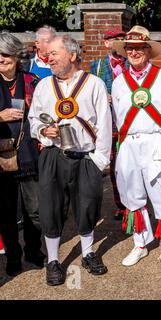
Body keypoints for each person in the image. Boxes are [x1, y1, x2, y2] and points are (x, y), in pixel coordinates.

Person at [28, 35, 111, 286]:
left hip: (86, 157)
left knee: (88, 207)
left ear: (72, 55)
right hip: (53, 156)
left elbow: (105, 124)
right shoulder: (43, 85)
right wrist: (43, 131)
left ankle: (87, 253)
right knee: (51, 208)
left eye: (54, 53)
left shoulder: (94, 83)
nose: (48, 58)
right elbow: (34, 120)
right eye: (48, 54)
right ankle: (53, 261)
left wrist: (99, 160)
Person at [111, 26, 161, 272]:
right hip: (129, 144)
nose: (134, 52)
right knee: (132, 196)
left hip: (157, 142)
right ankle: (140, 244)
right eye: (129, 48)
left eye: (139, 48)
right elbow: (117, 117)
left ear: (148, 51)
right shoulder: (119, 82)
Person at [0, 32, 44, 277]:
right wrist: (1, 116)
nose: (1, 59)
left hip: (29, 154)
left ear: (17, 56)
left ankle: (34, 251)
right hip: (2, 158)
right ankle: (13, 256)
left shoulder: (32, 81)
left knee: (34, 210)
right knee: (6, 213)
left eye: (6, 54)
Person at [90, 29, 128, 221]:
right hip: (109, 125)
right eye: (116, 40)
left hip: (130, 125)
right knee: (114, 169)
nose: (120, 42)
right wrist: (102, 97)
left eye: (123, 39)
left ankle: (135, 204)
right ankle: (121, 205)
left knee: (131, 167)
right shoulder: (96, 67)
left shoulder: (133, 65)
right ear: (106, 44)